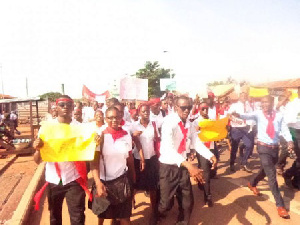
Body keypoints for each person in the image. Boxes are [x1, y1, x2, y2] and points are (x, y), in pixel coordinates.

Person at [156, 96, 217, 225]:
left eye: (189, 108)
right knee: (165, 204)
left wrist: (209, 155)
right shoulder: (169, 122)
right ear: (176, 107)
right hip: (168, 167)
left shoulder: (188, 123)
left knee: (187, 200)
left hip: (183, 165)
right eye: (183, 107)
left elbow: (195, 141)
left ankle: (183, 221)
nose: (187, 110)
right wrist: (189, 165)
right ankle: (158, 212)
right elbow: (168, 148)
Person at [232, 95, 294, 219]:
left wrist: (289, 141)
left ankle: (252, 183)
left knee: (265, 171)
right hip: (262, 147)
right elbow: (246, 116)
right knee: (272, 175)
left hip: (274, 148)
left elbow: (285, 129)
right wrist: (238, 115)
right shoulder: (258, 114)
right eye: (263, 102)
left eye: (267, 102)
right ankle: (280, 205)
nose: (264, 105)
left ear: (272, 103)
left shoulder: (279, 116)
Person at [33, 95, 88, 225]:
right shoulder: (46, 128)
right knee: (54, 216)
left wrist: (97, 141)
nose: (65, 108)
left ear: (73, 108)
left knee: (78, 217)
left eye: (69, 105)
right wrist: (37, 148)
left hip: (74, 179)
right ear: (56, 108)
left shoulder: (80, 128)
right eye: (62, 105)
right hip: (53, 179)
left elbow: (89, 151)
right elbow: (37, 160)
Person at [90, 106, 135, 225]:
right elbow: (94, 162)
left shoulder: (126, 135)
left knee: (125, 217)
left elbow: (129, 158)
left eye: (117, 117)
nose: (114, 120)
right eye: (110, 118)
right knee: (103, 214)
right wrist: (98, 183)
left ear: (121, 117)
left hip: (122, 181)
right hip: (105, 183)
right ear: (105, 119)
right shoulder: (100, 136)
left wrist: (133, 178)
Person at [132, 103, 159, 220]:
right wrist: (133, 136)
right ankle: (129, 206)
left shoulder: (153, 124)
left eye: (148, 111)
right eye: (143, 111)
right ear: (139, 113)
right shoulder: (134, 126)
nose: (146, 113)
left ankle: (154, 213)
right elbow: (129, 143)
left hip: (152, 159)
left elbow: (157, 139)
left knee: (153, 187)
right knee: (135, 186)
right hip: (138, 160)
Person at [193, 102, 216, 207]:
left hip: (211, 148)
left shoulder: (211, 120)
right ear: (199, 110)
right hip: (201, 149)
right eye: (203, 109)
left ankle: (200, 180)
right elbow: (193, 136)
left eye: (207, 109)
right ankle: (208, 196)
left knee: (210, 170)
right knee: (206, 171)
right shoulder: (196, 122)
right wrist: (198, 130)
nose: (205, 111)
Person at [228, 92, 255, 172]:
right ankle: (232, 163)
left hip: (246, 128)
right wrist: (235, 120)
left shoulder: (248, 105)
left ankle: (244, 162)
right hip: (236, 128)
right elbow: (229, 115)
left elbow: (251, 115)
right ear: (239, 97)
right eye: (242, 96)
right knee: (234, 148)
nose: (244, 97)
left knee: (249, 145)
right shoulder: (235, 105)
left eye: (245, 96)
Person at [283, 86, 300, 189]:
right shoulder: (293, 105)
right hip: (295, 131)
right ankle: (295, 180)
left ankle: (289, 173)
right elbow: (287, 120)